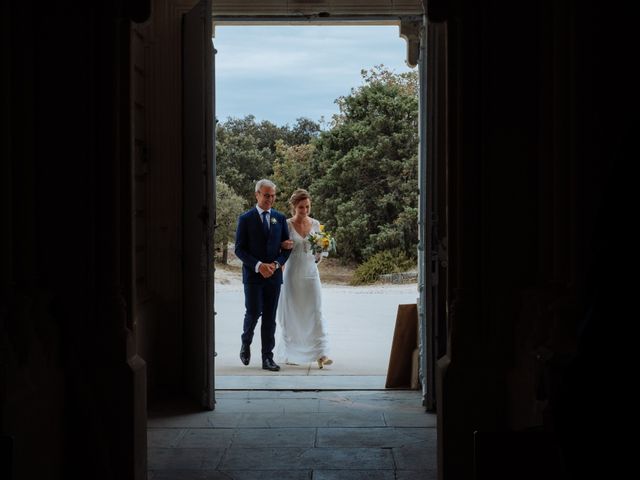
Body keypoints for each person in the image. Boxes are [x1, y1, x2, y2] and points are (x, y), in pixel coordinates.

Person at [235, 179, 291, 371]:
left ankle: (267, 358)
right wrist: (259, 266)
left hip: (274, 277)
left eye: (273, 196)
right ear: (257, 194)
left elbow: (287, 247)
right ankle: (246, 342)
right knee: (253, 312)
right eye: (266, 195)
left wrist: (276, 265)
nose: (270, 199)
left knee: (269, 317)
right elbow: (239, 250)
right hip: (253, 276)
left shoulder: (280, 218)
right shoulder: (245, 218)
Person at [275, 189, 333, 369]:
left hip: (311, 274)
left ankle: (321, 353)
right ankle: (293, 352)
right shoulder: (286, 225)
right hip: (292, 274)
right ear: (294, 207)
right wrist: (282, 245)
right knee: (293, 314)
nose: (305, 210)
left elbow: (320, 254)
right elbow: (277, 249)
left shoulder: (316, 224)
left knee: (315, 311)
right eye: (301, 207)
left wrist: (321, 250)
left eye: (307, 206)